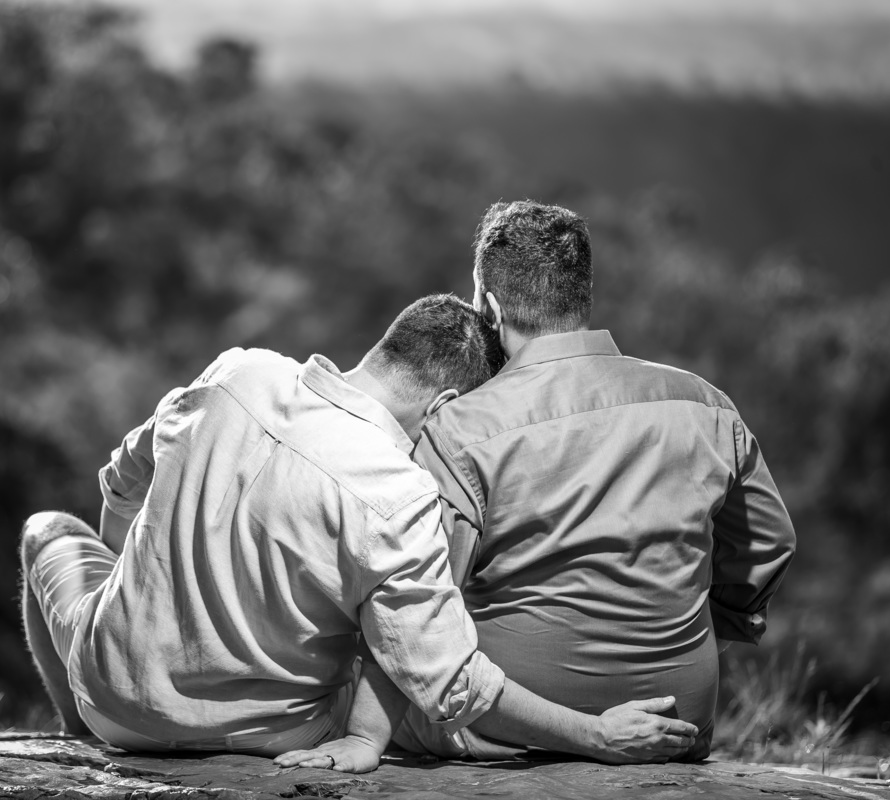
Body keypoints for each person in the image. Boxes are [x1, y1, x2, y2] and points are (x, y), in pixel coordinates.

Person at [19, 293, 699, 764]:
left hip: (113, 698)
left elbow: (120, 483)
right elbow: (453, 686)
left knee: (46, 528)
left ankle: (77, 728)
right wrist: (599, 735)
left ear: (384, 351)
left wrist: (139, 587)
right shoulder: (400, 495)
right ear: (447, 404)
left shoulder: (236, 374)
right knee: (391, 658)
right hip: (271, 737)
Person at [281, 201, 796, 769]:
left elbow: (414, 600)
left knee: (327, 672)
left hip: (502, 734)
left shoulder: (459, 429)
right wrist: (702, 634)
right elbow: (769, 543)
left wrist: (364, 739)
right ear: (581, 297)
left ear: (489, 307)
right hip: (676, 721)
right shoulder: (704, 404)